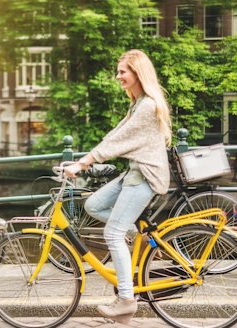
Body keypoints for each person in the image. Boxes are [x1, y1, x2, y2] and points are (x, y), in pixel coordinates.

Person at [64, 49, 172, 324]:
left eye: (123, 71)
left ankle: (126, 301)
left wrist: (83, 164)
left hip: (145, 176)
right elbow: (114, 134)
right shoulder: (138, 103)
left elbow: (118, 142)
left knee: (112, 233)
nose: (118, 76)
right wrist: (84, 159)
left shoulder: (147, 106)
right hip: (133, 173)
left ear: (138, 73)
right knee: (94, 205)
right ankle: (138, 236)